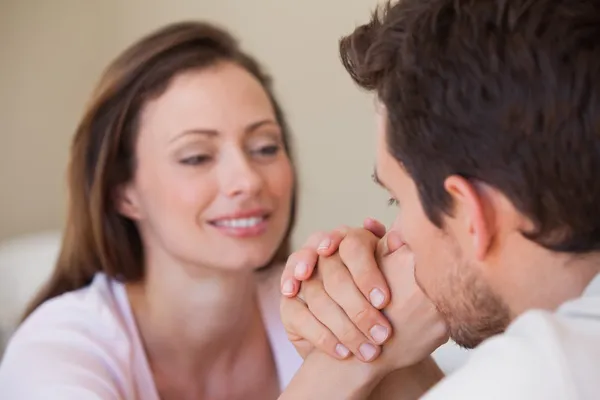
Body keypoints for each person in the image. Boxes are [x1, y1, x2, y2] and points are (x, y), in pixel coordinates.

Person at [278, 0, 600, 398]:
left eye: (398, 201)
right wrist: (390, 360)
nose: (395, 239)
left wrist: (340, 364)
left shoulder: (541, 372)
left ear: (471, 215)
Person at [0, 21, 309, 400]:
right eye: (196, 157)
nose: (247, 180)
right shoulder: (56, 350)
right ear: (123, 192)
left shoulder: (323, 314)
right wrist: (345, 372)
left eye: (265, 147)